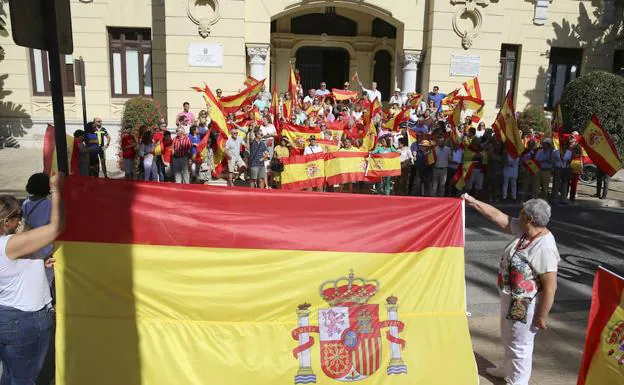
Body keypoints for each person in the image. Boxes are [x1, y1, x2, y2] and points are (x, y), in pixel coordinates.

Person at [463, 195, 559, 385]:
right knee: (508, 336)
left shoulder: (544, 246)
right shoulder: (526, 231)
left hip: (523, 303)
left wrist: (542, 316)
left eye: (521, 213)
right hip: (510, 296)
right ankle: (507, 369)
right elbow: (499, 217)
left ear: (529, 219)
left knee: (520, 344)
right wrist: (473, 201)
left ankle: (518, 381)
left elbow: (550, 286)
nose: (517, 215)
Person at [0, 172, 65, 385]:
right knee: (25, 379)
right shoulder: (8, 245)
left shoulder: (10, 247)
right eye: (18, 215)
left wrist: (37, 263)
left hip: (7, 315)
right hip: (25, 319)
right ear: (6, 221)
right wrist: (56, 189)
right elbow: (56, 227)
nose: (22, 218)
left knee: (11, 374)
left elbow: (11, 268)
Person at [551, 139, 572, 204]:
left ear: (567, 145)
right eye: (562, 144)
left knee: (564, 184)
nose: (564, 145)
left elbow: (570, 161)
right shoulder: (556, 152)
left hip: (565, 169)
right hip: (557, 168)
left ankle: (563, 199)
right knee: (556, 184)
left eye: (565, 144)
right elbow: (553, 160)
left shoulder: (569, 152)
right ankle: (554, 199)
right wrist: (553, 168)